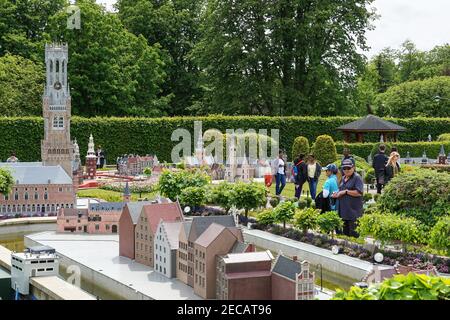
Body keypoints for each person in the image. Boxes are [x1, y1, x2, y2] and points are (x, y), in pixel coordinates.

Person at [332, 159, 364, 237]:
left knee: (354, 236)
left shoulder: (357, 178)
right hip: (344, 213)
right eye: (344, 168)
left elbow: (359, 193)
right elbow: (341, 190)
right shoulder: (343, 178)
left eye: (348, 168)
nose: (346, 170)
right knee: (345, 236)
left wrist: (346, 191)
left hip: (353, 213)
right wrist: (337, 193)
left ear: (353, 168)